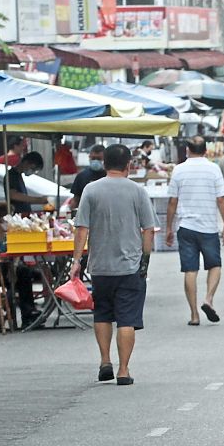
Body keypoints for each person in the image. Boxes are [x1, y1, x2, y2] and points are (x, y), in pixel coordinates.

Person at [70, 144, 159, 385]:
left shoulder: (90, 190)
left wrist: (76, 260)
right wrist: (145, 261)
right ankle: (123, 370)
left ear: (105, 164)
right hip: (130, 266)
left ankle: (105, 361)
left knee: (102, 314)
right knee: (127, 319)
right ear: (128, 165)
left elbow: (81, 229)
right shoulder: (138, 191)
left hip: (100, 266)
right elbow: (148, 230)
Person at [165, 136, 224, 326]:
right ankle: (208, 299)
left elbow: (172, 202)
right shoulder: (213, 168)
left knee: (190, 270)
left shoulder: (178, 170)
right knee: (215, 265)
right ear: (206, 151)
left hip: (186, 227)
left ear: (187, 150)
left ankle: (194, 315)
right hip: (208, 227)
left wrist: (169, 227)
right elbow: (221, 200)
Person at [68, 144, 107, 210]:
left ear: (105, 159)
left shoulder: (109, 176)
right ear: (89, 157)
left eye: (99, 159)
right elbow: (76, 199)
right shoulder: (81, 176)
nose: (96, 161)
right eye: (93, 158)